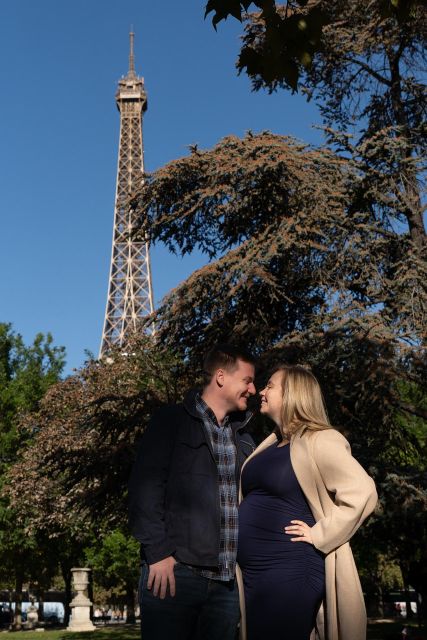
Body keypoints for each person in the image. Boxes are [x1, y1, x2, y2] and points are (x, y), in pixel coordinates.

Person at [237, 364, 377, 640]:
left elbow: (363, 492)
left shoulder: (320, 440)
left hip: (289, 571)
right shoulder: (269, 445)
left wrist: (319, 534)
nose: (261, 392)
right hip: (253, 575)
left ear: (293, 395)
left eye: (270, 386)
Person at [128, 344, 256, 640]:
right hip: (174, 576)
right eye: (247, 380)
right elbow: (143, 489)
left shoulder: (245, 439)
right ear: (221, 377)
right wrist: (158, 554)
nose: (253, 388)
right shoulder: (170, 421)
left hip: (226, 585)